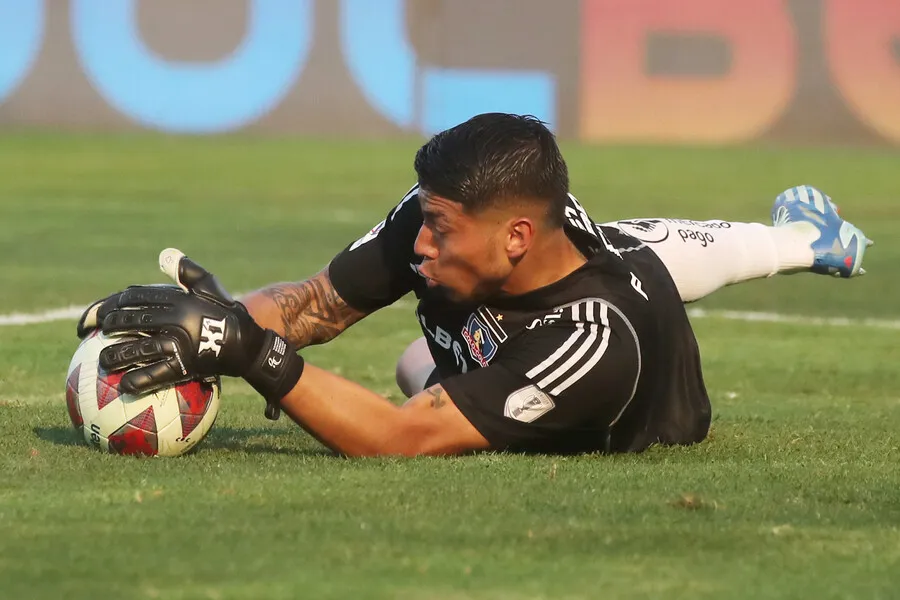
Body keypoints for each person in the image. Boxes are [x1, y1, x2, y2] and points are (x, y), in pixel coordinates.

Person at [76, 113, 873, 457]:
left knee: (414, 378)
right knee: (636, 247)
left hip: (604, 398)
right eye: (422, 218)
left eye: (440, 228)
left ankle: (807, 240)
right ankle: (806, 237)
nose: (417, 242)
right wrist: (215, 320)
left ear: (516, 237)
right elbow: (314, 305)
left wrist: (248, 351)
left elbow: (398, 438)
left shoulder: (592, 342)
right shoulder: (452, 220)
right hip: (565, 282)